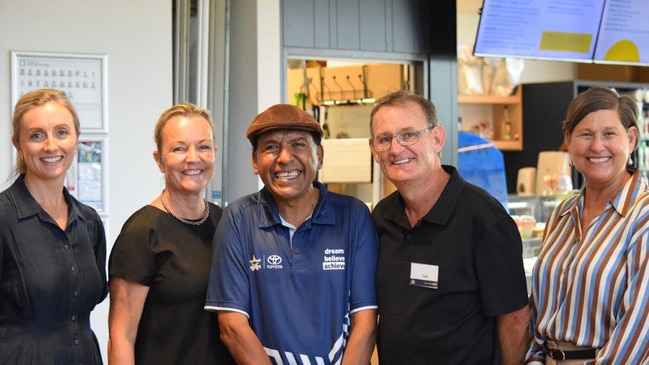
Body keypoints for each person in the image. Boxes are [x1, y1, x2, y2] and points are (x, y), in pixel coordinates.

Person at [204, 104, 378, 364]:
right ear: (254, 161)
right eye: (271, 147)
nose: (284, 158)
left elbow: (365, 321)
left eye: (298, 144)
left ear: (319, 154)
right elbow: (231, 327)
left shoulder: (353, 216)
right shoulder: (238, 218)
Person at [369, 90, 530, 365]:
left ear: (437, 138)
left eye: (409, 135)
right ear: (373, 149)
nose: (396, 149)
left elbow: (515, 320)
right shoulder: (381, 217)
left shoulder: (484, 219)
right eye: (385, 139)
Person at [525, 87, 649, 364]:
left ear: (630, 139)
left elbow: (640, 332)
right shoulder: (561, 214)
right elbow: (537, 314)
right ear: (568, 140)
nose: (597, 146)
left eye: (609, 134)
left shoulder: (644, 216)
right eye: (585, 134)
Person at [107, 103, 234, 364]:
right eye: (179, 148)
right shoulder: (142, 233)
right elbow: (121, 336)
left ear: (215, 153)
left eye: (203, 146)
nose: (193, 158)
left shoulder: (226, 222)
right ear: (159, 160)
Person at [0, 88, 107, 364]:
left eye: (61, 132)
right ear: (18, 144)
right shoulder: (3, 218)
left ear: (77, 137)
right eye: (36, 135)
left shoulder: (89, 221)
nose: (51, 146)